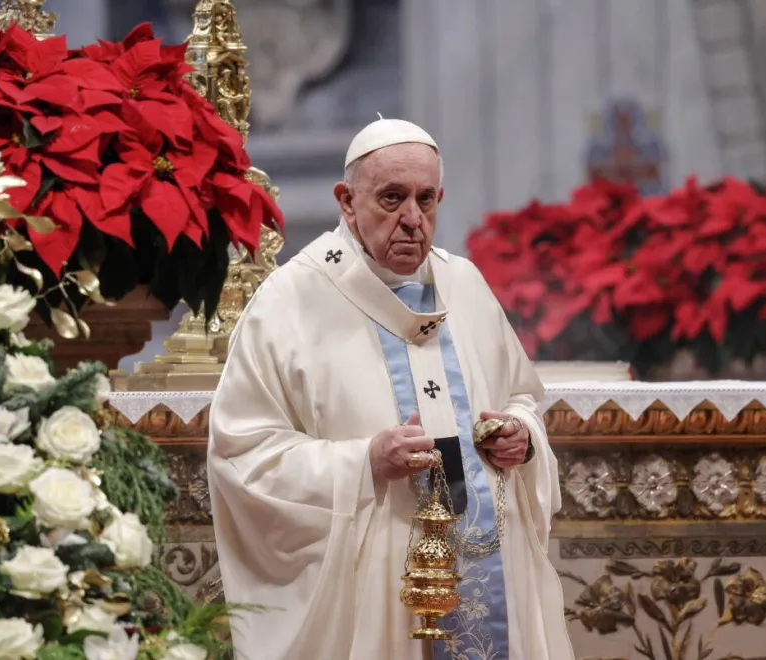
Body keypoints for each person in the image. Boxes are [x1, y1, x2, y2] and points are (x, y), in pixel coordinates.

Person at [207, 118, 574, 660]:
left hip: (485, 565)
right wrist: (364, 462)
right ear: (347, 201)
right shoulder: (290, 301)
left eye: (426, 200)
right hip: (371, 583)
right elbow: (243, 456)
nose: (412, 220)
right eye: (391, 198)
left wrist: (521, 435)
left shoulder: (464, 285)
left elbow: (521, 396)